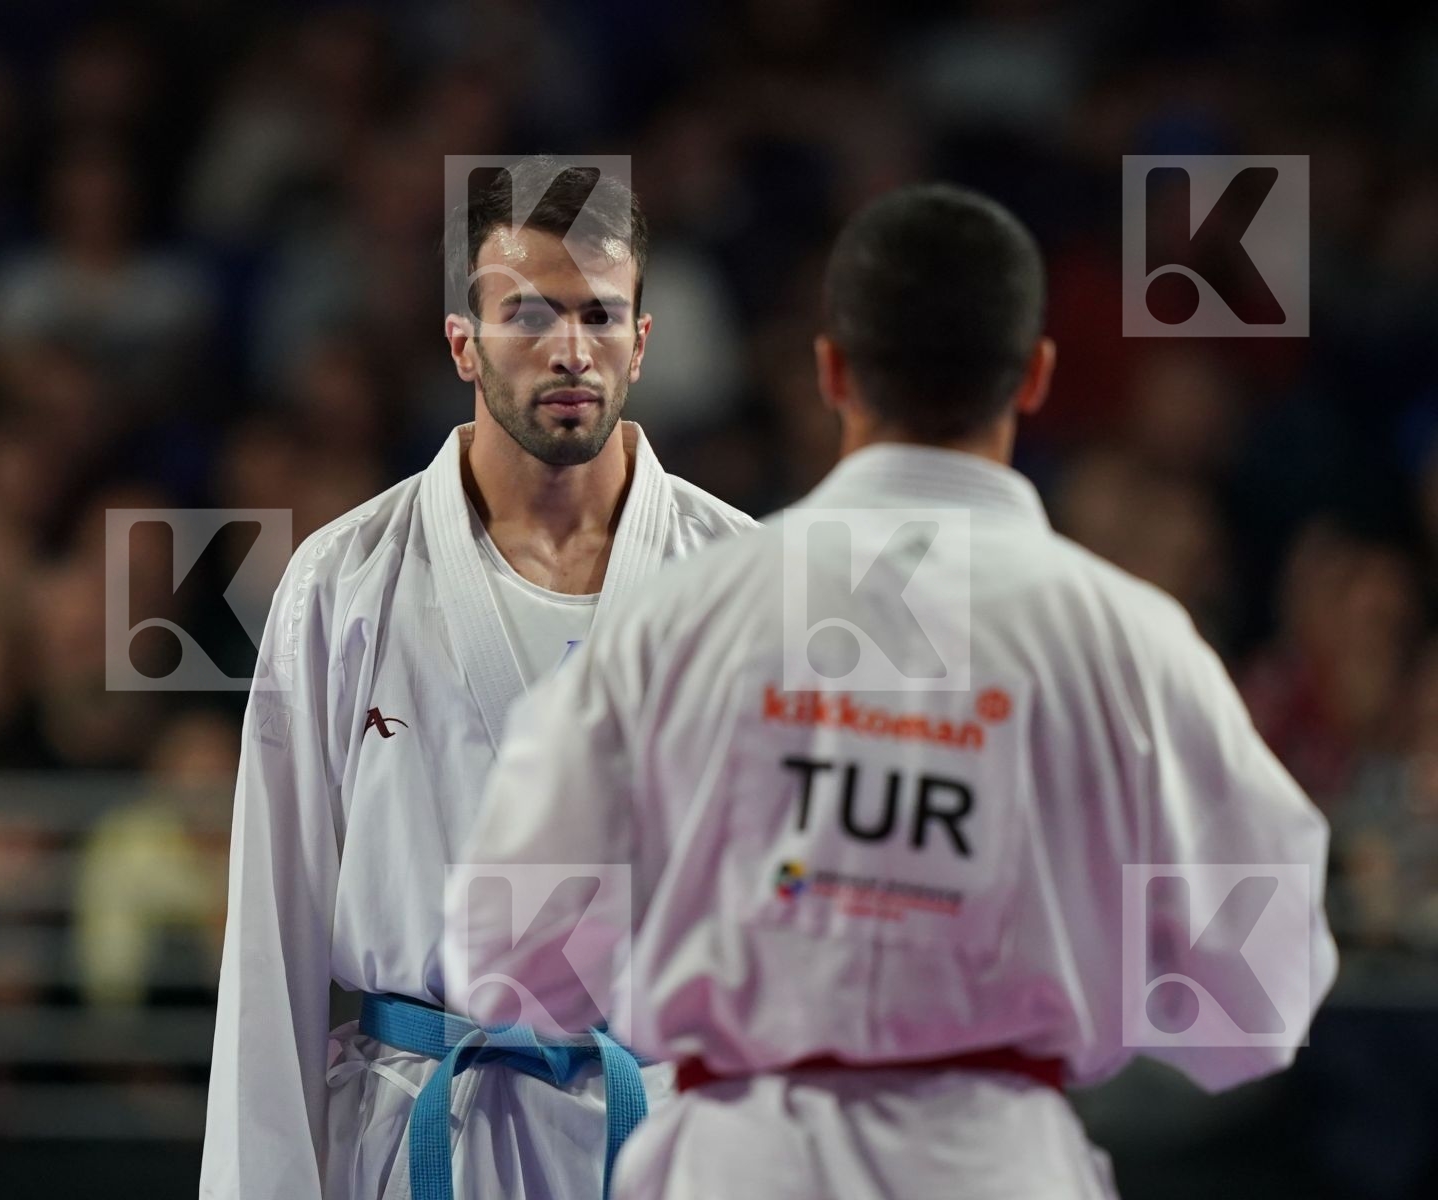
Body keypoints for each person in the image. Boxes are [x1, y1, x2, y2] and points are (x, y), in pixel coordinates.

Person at [445, 184, 1338, 1199]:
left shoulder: (676, 619)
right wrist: (1065, 973)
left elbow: (509, 955)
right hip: (999, 1165)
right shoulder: (1131, 643)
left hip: (742, 1163)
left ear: (829, 370)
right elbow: (1262, 997)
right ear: (1037, 376)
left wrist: (734, 945)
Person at [200, 158, 757, 1200]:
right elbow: (270, 950)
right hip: (420, 1130)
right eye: (528, 314)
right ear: (463, 343)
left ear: (642, 341)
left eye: (600, 316)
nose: (569, 349)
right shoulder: (341, 583)